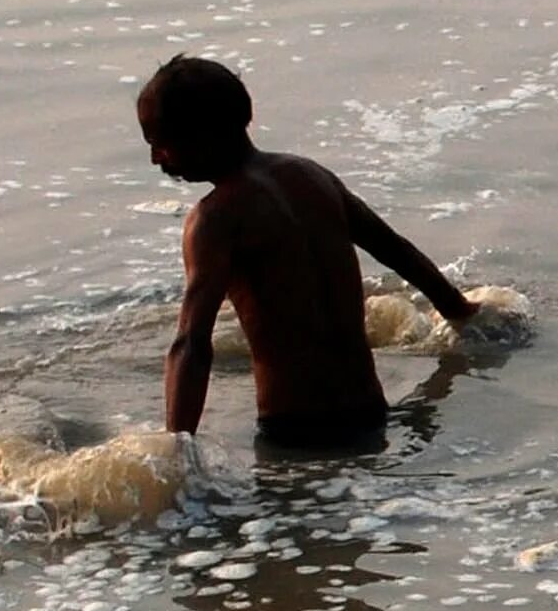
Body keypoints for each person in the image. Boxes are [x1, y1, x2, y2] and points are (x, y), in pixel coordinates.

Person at [135, 54, 478, 450]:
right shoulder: (312, 177)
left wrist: (177, 452)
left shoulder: (215, 219)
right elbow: (397, 252)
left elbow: (191, 343)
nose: (155, 158)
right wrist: (462, 313)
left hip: (295, 433)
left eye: (158, 142)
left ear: (200, 135)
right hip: (370, 412)